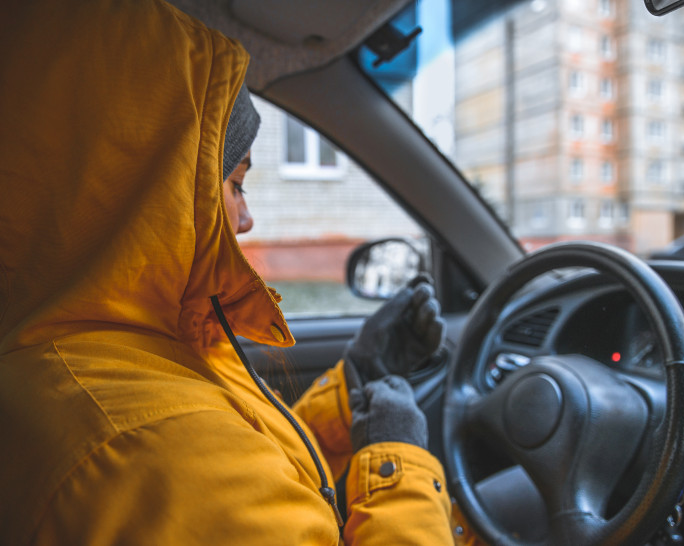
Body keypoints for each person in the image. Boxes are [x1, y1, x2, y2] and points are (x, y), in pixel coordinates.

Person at [0, 1, 482, 544]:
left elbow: (254, 488)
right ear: (139, 189)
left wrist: (351, 388)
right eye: (236, 184)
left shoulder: (85, 376)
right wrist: (401, 464)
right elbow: (214, 482)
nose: (246, 218)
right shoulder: (158, 456)